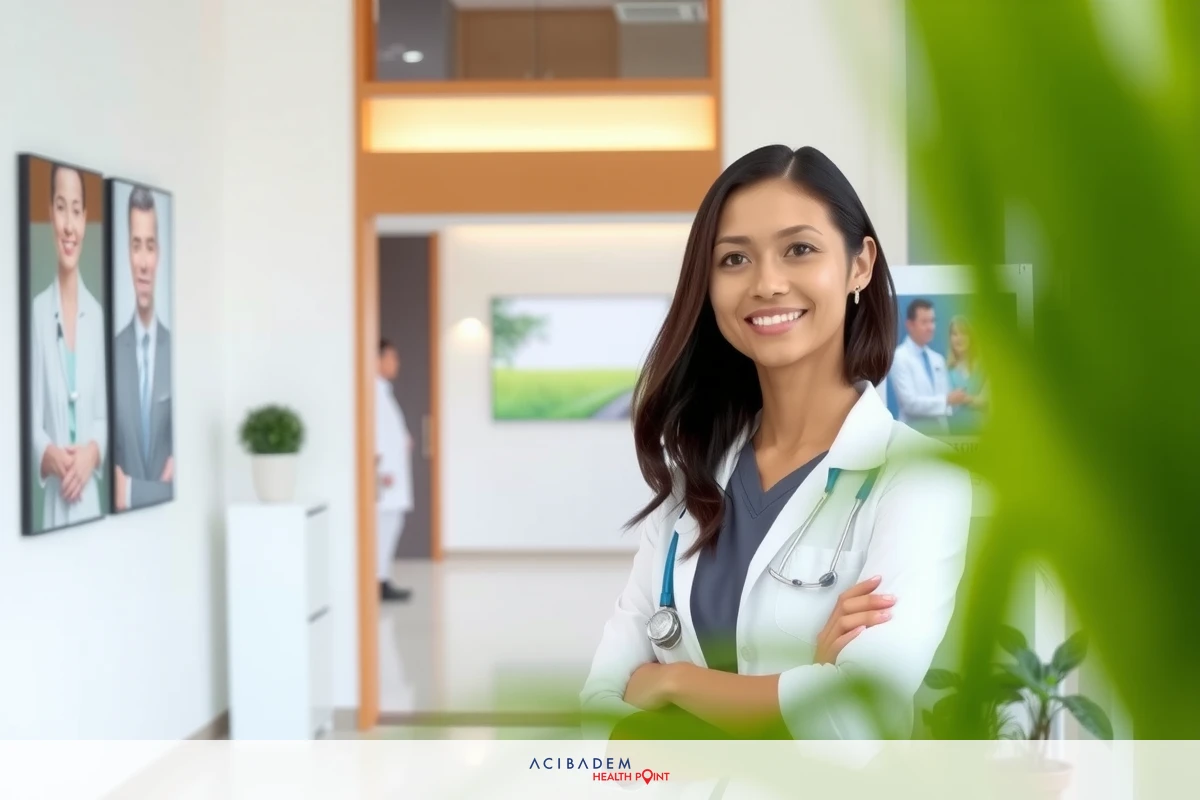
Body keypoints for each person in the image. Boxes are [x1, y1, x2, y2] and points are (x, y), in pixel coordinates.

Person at [579, 145, 972, 742]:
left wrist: (674, 683)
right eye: (734, 258)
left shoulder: (920, 478)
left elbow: (851, 722)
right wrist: (804, 683)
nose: (766, 283)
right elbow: (599, 716)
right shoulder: (694, 480)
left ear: (860, 265)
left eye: (800, 249)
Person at [29, 163, 109, 530]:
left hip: (91, 506)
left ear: (86, 218)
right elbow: (29, 421)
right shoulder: (36, 313)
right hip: (53, 512)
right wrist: (50, 456)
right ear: (49, 213)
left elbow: (104, 417)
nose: (69, 225)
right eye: (61, 207)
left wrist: (92, 453)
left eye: (76, 210)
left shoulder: (97, 315)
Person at [113, 185, 174, 510]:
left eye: (150, 246)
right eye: (137, 246)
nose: (143, 263)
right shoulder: (112, 354)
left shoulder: (176, 353)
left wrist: (131, 492)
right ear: (128, 253)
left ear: (159, 254)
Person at [889, 299, 968, 435]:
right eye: (924, 322)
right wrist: (947, 400)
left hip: (940, 437)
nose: (931, 327)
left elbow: (949, 404)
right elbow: (910, 404)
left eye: (932, 321)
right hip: (912, 437)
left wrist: (961, 393)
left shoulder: (937, 359)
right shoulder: (899, 357)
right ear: (910, 325)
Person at [376, 339, 414, 602]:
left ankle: (382, 577)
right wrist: (380, 471)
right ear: (376, 359)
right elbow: (373, 436)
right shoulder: (372, 393)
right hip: (383, 476)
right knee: (383, 527)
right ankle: (378, 581)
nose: (395, 363)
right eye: (391, 357)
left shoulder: (382, 391)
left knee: (390, 525)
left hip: (390, 474)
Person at [946, 315, 987, 436]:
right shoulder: (944, 370)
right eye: (955, 334)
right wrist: (972, 399)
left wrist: (958, 398)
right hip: (954, 437)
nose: (959, 338)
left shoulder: (984, 368)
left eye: (963, 333)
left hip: (982, 435)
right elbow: (943, 403)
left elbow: (985, 400)